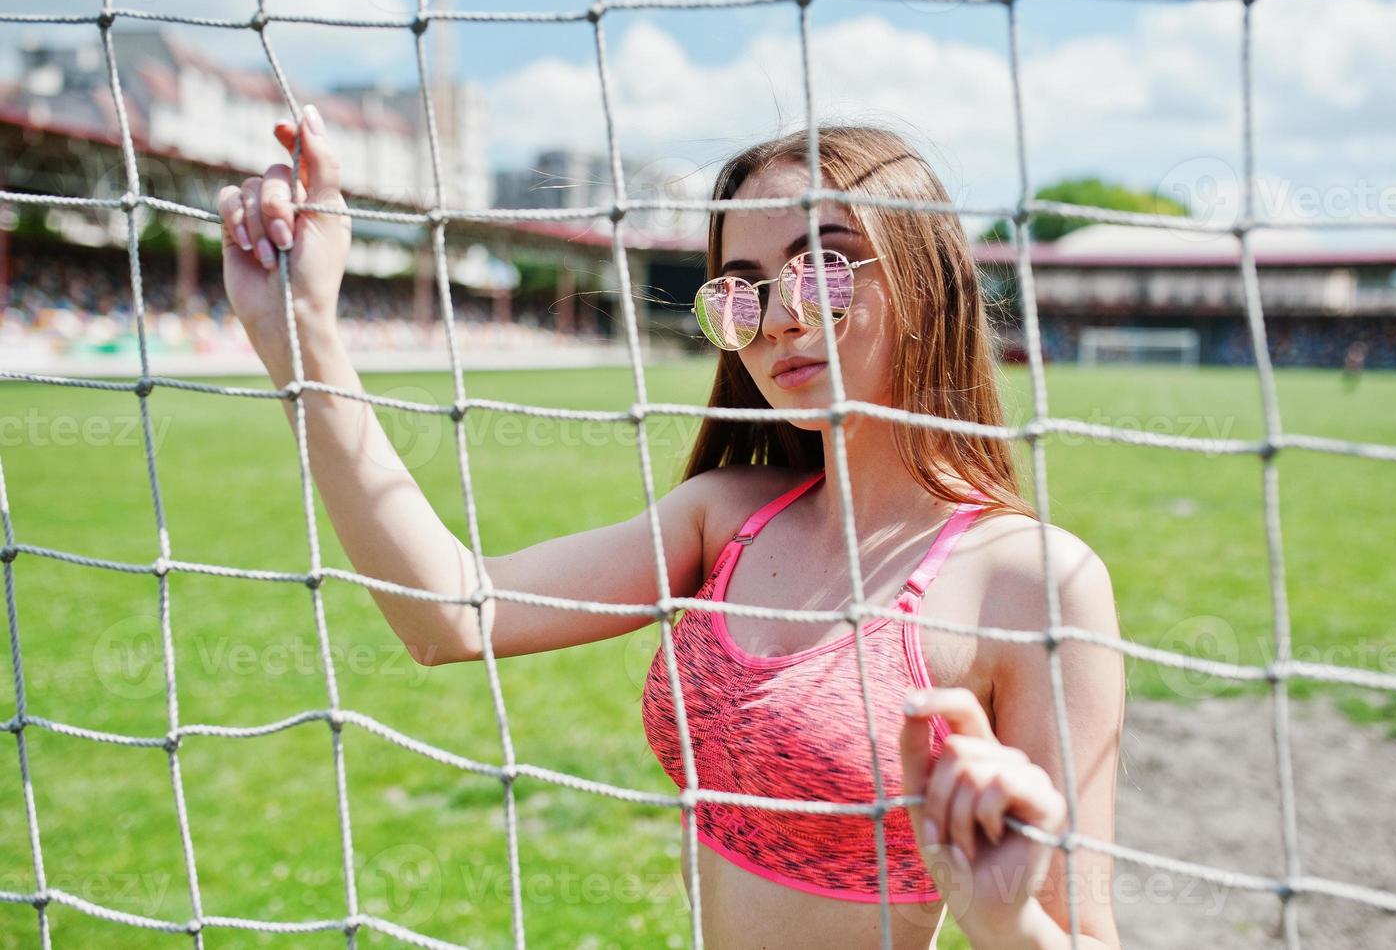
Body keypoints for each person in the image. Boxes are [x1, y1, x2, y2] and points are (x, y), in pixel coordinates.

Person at [215, 109, 1124, 949]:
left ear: (929, 278)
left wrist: (1002, 920)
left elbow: (1079, 935)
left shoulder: (1033, 582)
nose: (781, 319)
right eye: (744, 289)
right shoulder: (724, 514)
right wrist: (301, 336)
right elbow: (450, 615)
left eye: (826, 266)